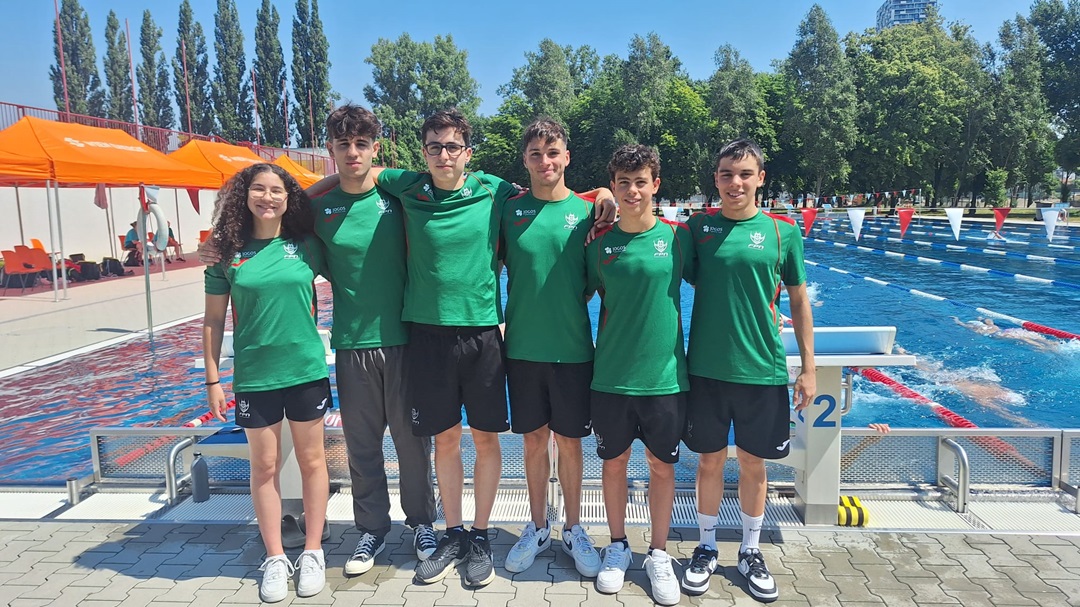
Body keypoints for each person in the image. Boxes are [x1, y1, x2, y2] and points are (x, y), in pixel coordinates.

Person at [304, 107, 615, 588]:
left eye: (453, 146)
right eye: (435, 147)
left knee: (486, 440)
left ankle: (481, 536)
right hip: (426, 336)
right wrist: (296, 199)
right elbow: (356, 173)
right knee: (446, 440)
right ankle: (452, 533)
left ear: (468, 152)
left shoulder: (493, 190)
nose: (444, 155)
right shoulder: (408, 186)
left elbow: (553, 191)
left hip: (482, 334)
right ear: (423, 152)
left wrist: (603, 194)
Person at [682, 139, 815, 603]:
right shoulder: (697, 229)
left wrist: (808, 369)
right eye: (726, 174)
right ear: (715, 179)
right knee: (709, 461)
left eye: (744, 174)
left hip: (762, 370)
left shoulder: (783, 232)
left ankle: (751, 550)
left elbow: (799, 300)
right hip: (706, 369)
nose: (734, 183)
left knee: (754, 464)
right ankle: (705, 546)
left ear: (760, 178)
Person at [315, 105, 438, 577]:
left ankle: (421, 522)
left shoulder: (399, 197)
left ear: (375, 148)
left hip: (405, 341)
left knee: (413, 445)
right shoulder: (320, 210)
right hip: (352, 344)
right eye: (343, 145)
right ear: (330, 149)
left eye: (361, 144)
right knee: (362, 447)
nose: (352, 153)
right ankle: (371, 529)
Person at [202, 164, 330, 603]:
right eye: (258, 189)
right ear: (244, 196)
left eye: (278, 190)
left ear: (290, 198)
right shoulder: (226, 253)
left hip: (306, 370)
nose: (268, 197)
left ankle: (313, 551)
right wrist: (213, 379)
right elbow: (213, 320)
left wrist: (308, 187)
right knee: (265, 466)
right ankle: (275, 556)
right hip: (255, 376)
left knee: (313, 462)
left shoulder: (307, 245)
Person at [585, 144, 692, 606]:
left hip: (665, 378)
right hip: (611, 377)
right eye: (624, 183)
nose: (632, 191)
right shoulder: (598, 245)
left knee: (662, 467)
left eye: (640, 182)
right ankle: (617, 545)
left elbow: (723, 281)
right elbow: (574, 298)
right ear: (614, 185)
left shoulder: (679, 239)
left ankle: (659, 553)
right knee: (613, 464)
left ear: (656, 185)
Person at [500, 118, 601, 578]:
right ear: (525, 160)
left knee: (572, 443)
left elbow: (593, 283)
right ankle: (539, 526)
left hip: (573, 349)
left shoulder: (588, 212)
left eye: (553, 152)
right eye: (536, 154)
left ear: (567, 157)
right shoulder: (509, 212)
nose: (545, 161)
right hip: (522, 349)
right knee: (534, 441)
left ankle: (575, 527)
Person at [952, 316, 1059, 352]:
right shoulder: (991, 325)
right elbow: (988, 319)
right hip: (1009, 330)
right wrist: (981, 318)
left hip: (999, 335)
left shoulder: (977, 329)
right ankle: (1049, 343)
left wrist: (957, 320)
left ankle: (1041, 347)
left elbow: (962, 324)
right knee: (1026, 336)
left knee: (1023, 339)